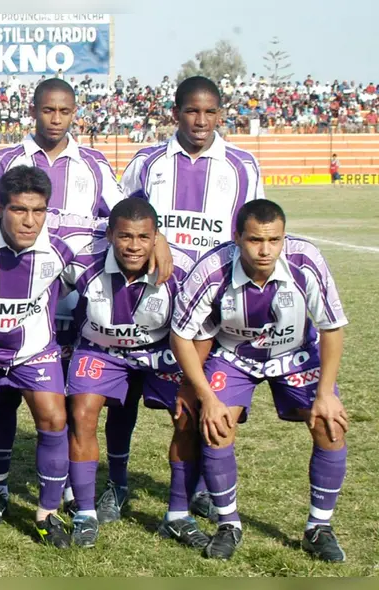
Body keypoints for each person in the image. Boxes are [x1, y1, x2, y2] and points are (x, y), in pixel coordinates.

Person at [0, 165, 172, 551]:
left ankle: (47, 514)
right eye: (18, 210)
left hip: (33, 349)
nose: (30, 221)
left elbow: (122, 226)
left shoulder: (65, 230)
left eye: (38, 211)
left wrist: (159, 238)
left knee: (55, 418)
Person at [0, 78, 125, 526]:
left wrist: (162, 242)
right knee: (5, 397)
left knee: (67, 399)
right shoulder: (2, 161)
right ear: (32, 110)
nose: (55, 119)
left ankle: (71, 487)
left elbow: (124, 216)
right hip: (9, 298)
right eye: (48, 111)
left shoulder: (92, 165)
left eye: (64, 112)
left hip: (71, 301)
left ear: (75, 113)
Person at [120, 75, 266, 524]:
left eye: (209, 112)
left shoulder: (242, 166)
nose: (200, 121)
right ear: (175, 113)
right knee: (125, 394)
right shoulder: (147, 163)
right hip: (155, 301)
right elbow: (123, 219)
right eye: (191, 111)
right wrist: (157, 235)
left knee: (203, 399)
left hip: (216, 307)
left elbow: (250, 230)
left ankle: (201, 489)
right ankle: (116, 483)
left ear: (221, 114)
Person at [171, 199, 349, 562]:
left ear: (284, 237)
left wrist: (327, 392)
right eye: (255, 240)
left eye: (274, 240)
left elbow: (331, 327)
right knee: (217, 426)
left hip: (295, 354)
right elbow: (181, 336)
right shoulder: (213, 269)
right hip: (235, 356)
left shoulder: (306, 260)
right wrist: (206, 396)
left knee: (331, 425)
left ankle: (319, 527)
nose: (265, 250)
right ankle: (228, 524)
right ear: (237, 237)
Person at [60, 199, 207, 548]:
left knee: (187, 416)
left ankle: (178, 514)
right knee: (81, 413)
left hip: (162, 352)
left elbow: (202, 330)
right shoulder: (82, 259)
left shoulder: (183, 269)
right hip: (102, 349)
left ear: (157, 237)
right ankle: (86, 513)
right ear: (109, 234)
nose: (134, 246)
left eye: (144, 237)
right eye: (124, 236)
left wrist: (191, 382)